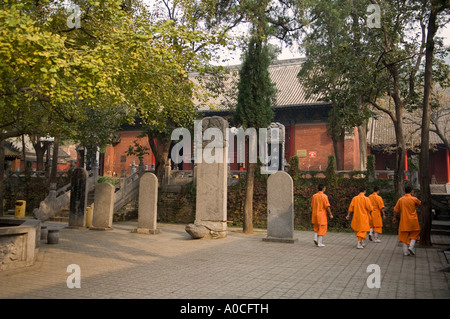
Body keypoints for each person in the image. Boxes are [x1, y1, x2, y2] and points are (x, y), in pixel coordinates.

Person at [393, 185, 421, 256]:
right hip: (413, 220)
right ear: (411, 191)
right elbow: (419, 203)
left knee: (403, 236)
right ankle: (411, 247)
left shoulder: (401, 199)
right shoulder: (414, 199)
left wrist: (394, 217)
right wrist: (413, 195)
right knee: (415, 233)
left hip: (404, 220)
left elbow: (396, 209)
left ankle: (405, 252)